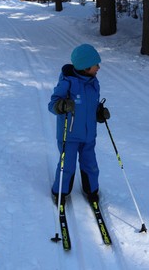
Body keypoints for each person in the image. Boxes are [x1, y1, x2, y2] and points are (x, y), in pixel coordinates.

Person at [48, 44, 110, 204]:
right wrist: (61, 106)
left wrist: (99, 113)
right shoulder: (68, 82)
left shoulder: (94, 83)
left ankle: (91, 190)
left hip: (89, 136)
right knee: (67, 166)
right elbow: (52, 104)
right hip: (69, 135)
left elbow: (91, 105)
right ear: (85, 66)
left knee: (91, 165)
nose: (99, 67)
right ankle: (60, 192)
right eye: (96, 64)